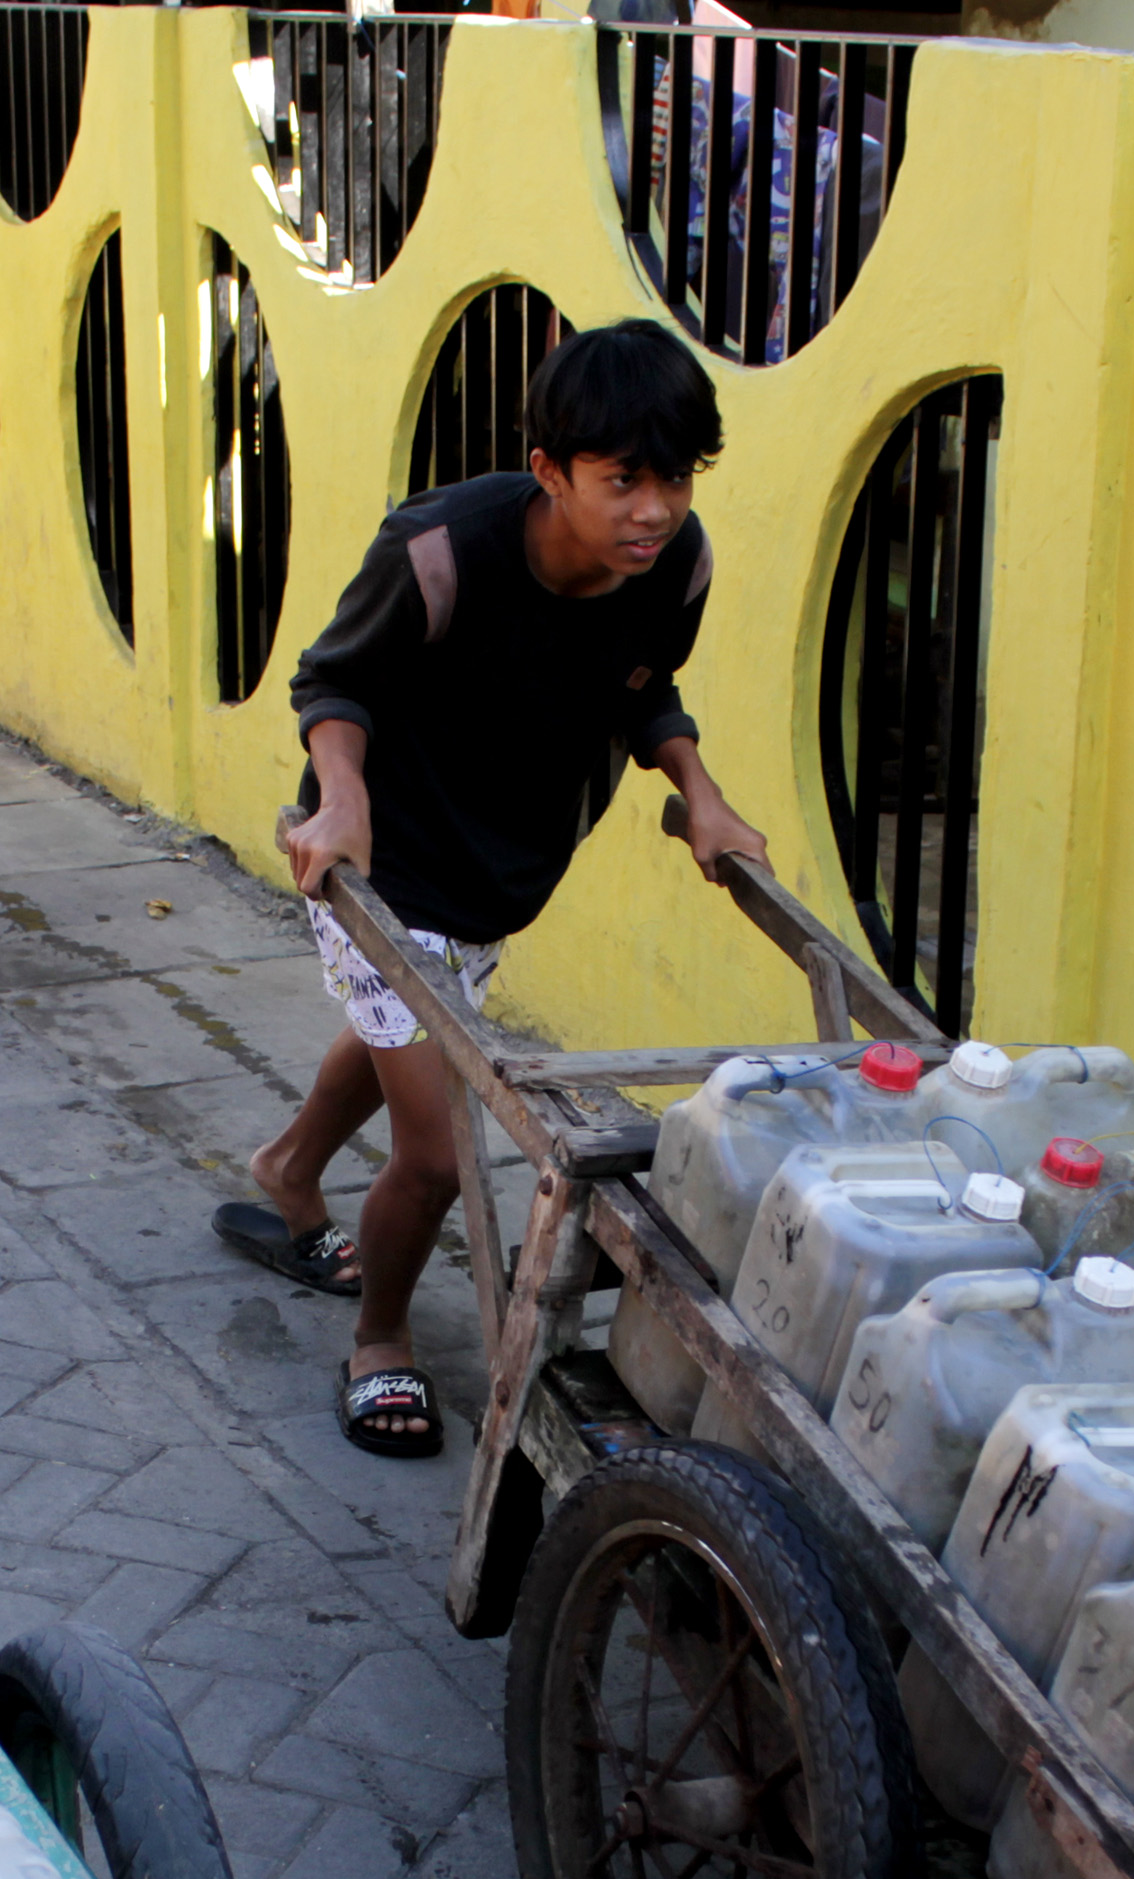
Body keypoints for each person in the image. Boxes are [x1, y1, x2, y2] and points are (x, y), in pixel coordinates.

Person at [218, 321, 765, 1457]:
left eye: (673, 479)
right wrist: (341, 795)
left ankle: (287, 1169)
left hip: (495, 873)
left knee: (412, 1038)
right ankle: (380, 1339)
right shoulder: (438, 553)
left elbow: (643, 687)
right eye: (622, 481)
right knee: (434, 1144)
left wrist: (699, 789)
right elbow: (334, 678)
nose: (652, 510)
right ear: (552, 470)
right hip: (382, 865)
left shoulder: (672, 567)